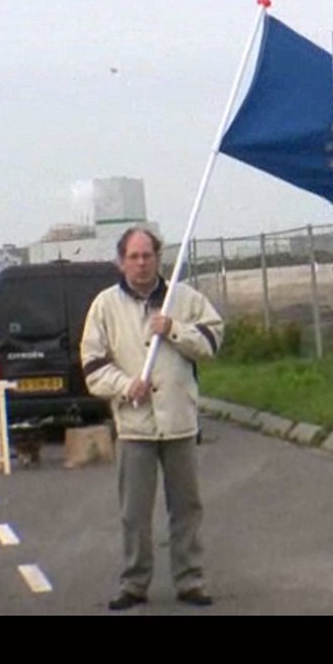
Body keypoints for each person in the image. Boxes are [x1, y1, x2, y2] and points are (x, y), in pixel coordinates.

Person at [81, 227, 224, 610]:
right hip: (134, 427)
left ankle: (190, 580)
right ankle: (134, 583)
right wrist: (126, 385)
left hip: (179, 422)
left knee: (187, 508)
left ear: (158, 258)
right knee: (134, 513)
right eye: (134, 257)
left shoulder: (185, 298)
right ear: (121, 262)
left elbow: (212, 342)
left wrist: (174, 329)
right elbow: (92, 366)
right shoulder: (104, 306)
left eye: (147, 256)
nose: (141, 263)